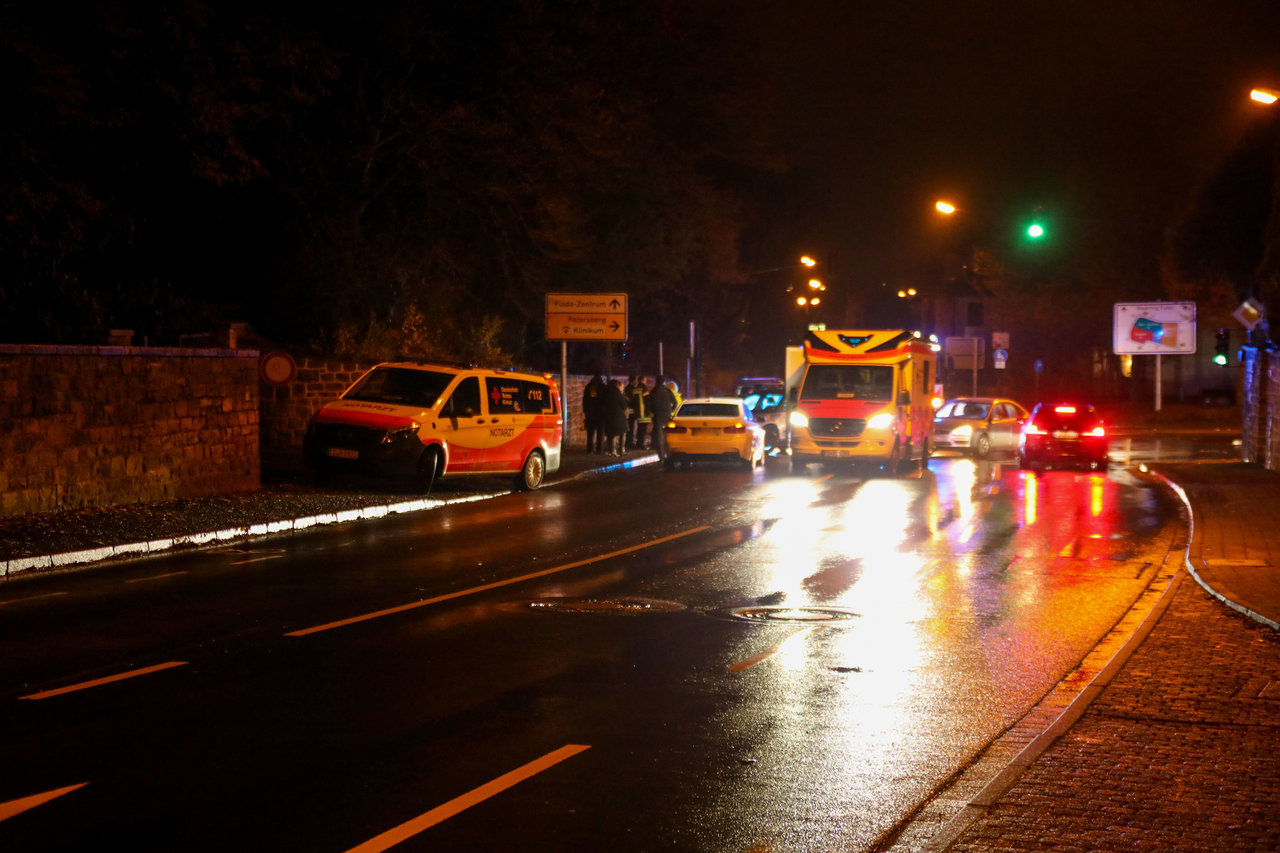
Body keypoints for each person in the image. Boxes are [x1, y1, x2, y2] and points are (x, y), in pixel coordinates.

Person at [647, 374, 677, 458]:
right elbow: (675, 403)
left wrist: (652, 414)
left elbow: (648, 404)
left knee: (659, 436)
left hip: (657, 416)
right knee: (668, 435)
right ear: (664, 382)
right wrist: (671, 411)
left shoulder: (653, 391)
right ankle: (668, 454)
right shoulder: (667, 391)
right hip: (667, 416)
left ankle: (661, 456)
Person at [603, 378, 629, 456]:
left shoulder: (606, 392)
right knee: (622, 433)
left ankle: (612, 450)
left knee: (611, 434)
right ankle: (621, 450)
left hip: (609, 416)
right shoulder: (617, 392)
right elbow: (623, 405)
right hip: (619, 416)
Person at [582, 375, 605, 453]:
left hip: (590, 414)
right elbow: (605, 401)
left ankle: (590, 449)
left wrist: (586, 411)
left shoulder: (589, 387)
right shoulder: (603, 387)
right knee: (600, 433)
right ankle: (599, 449)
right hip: (600, 414)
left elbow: (585, 400)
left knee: (590, 433)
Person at [624, 376, 645, 450]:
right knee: (631, 428)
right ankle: (629, 443)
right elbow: (632, 399)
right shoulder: (631, 389)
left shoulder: (627, 388)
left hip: (629, 411)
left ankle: (629, 442)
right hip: (632, 411)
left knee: (630, 428)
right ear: (632, 381)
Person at [633, 377, 652, 450]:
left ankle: (638, 444)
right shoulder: (644, 388)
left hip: (637, 412)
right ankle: (641, 445)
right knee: (643, 430)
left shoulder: (636, 388)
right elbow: (647, 401)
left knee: (639, 429)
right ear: (643, 380)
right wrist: (649, 412)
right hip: (644, 412)